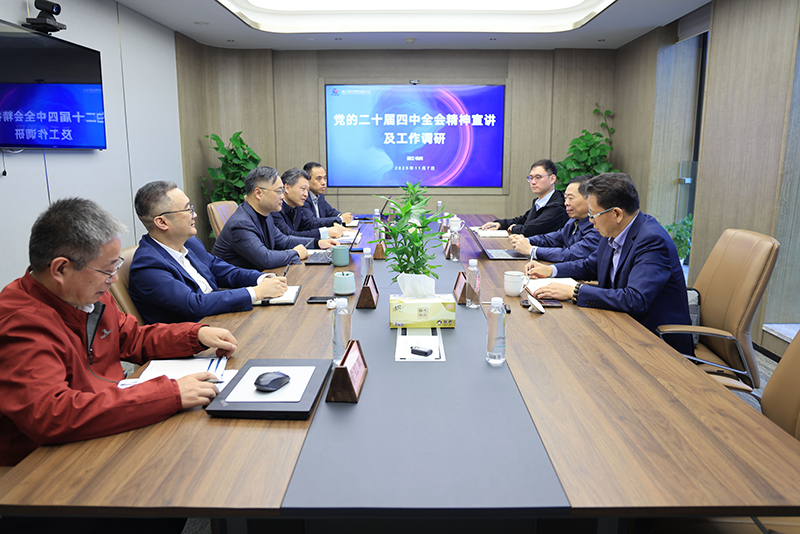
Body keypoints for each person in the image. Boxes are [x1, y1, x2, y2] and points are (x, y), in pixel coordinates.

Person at [0, 198, 237, 468]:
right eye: (106, 269)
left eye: (115, 266)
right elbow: (52, 414)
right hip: (43, 462)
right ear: (61, 269)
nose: (114, 279)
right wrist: (169, 395)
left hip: (106, 423)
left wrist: (194, 335)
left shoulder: (88, 295)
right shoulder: (20, 323)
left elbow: (133, 338)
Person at [527, 173, 692, 354]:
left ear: (617, 214)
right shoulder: (613, 230)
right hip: (618, 327)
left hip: (655, 343)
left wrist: (575, 291)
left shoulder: (652, 240)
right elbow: (590, 266)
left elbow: (635, 299)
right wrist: (551, 270)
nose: (590, 220)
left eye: (593, 214)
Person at [129, 181, 288, 324]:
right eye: (188, 209)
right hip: (197, 335)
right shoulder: (147, 265)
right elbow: (194, 304)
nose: (195, 215)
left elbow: (223, 271)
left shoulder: (190, 243)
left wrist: (263, 279)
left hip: (221, 319)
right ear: (162, 222)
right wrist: (256, 292)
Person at [212, 166, 320, 270]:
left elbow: (284, 241)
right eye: (279, 191)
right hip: (236, 281)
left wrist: (317, 243)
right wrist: (296, 253)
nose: (282, 196)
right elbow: (266, 259)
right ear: (258, 193)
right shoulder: (241, 223)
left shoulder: (265, 215)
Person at [508, 175, 601, 262]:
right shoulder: (573, 221)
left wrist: (532, 250)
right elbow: (552, 239)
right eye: (565, 198)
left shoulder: (598, 227)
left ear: (590, 199)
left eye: (570, 198)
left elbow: (571, 254)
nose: (566, 203)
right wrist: (526, 241)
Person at [480, 159, 569, 237]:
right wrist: (500, 224)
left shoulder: (558, 206)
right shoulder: (539, 201)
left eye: (538, 177)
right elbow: (523, 220)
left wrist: (514, 228)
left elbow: (532, 230)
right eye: (531, 178)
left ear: (552, 179)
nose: (533, 182)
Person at [272, 167, 345, 241]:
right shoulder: (275, 209)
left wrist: (332, 225)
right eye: (303, 189)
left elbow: (308, 224)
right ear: (287, 188)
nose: (306, 194)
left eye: (307, 190)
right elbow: (289, 235)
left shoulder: (296, 207)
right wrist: (325, 232)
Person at [301, 161, 353, 226]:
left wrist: (342, 216)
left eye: (325, 178)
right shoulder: (303, 197)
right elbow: (312, 222)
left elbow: (330, 212)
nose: (324, 182)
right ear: (307, 180)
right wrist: (341, 219)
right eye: (319, 179)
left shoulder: (320, 196)